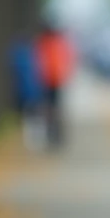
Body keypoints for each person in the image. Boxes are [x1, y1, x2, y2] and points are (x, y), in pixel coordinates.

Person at [34, 19, 76, 150]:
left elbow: (38, 62)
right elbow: (67, 59)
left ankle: (53, 133)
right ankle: (55, 132)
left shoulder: (43, 43)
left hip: (47, 80)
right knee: (54, 108)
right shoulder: (56, 42)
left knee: (49, 108)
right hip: (54, 80)